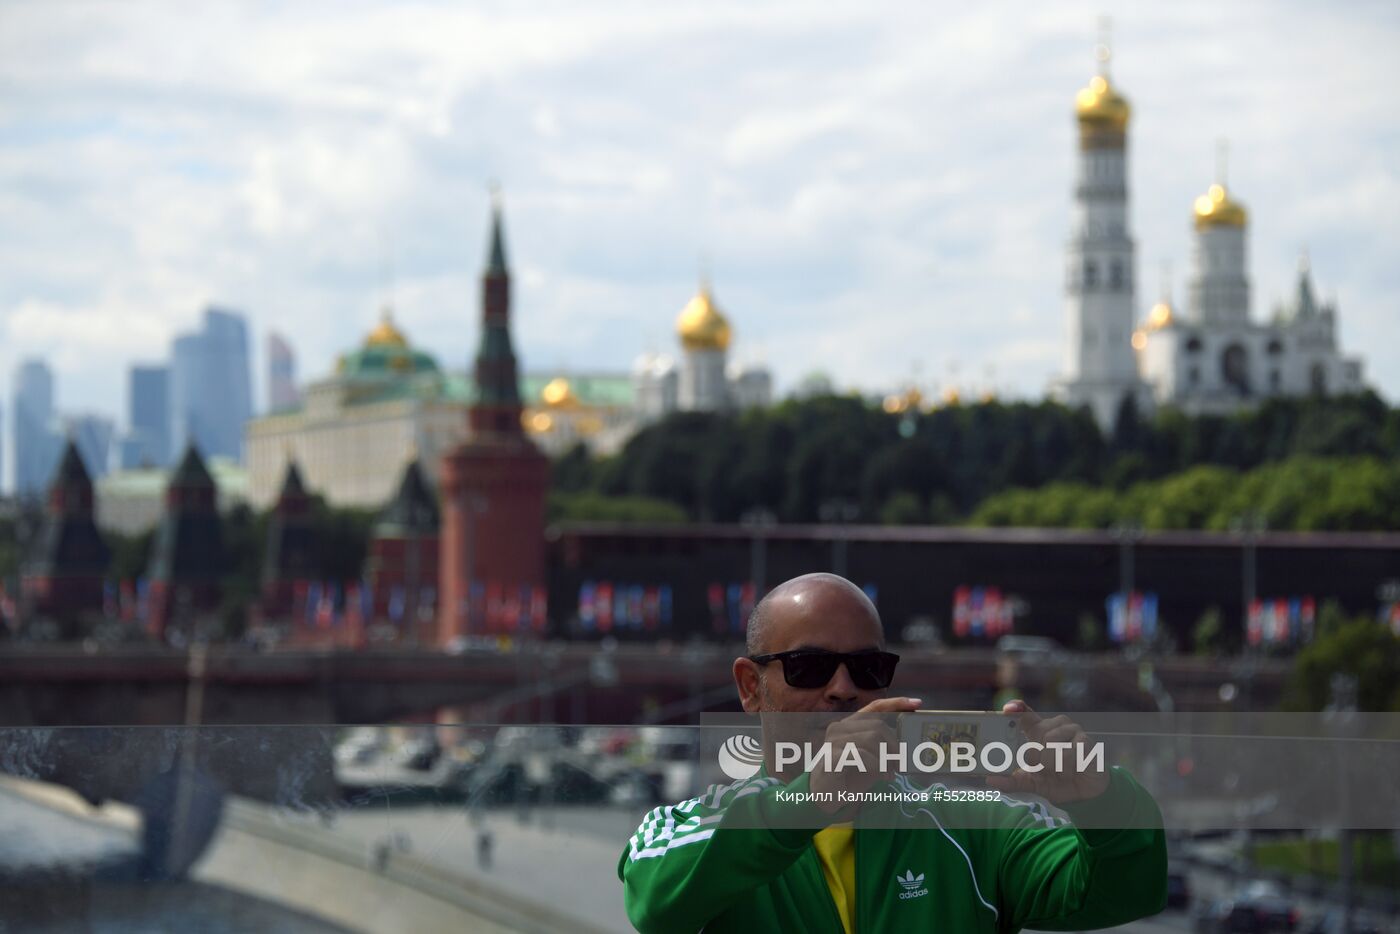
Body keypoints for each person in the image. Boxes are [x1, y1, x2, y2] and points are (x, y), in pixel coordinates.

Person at [618, 572, 1166, 933]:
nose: (841, 688)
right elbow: (655, 903)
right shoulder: (688, 828)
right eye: (808, 667)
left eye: (867, 668)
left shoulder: (973, 826)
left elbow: (1126, 893)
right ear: (749, 686)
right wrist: (810, 800)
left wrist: (1102, 801)